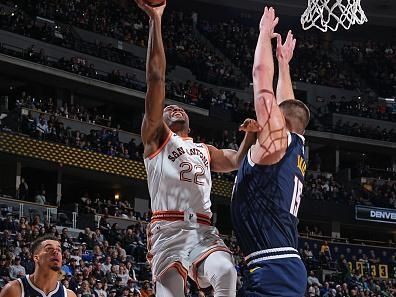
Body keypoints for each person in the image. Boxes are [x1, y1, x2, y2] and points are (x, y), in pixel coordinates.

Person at [135, 0, 259, 296]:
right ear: (160, 118)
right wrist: (155, 19)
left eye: (180, 108)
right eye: (169, 108)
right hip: (167, 230)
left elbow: (238, 161)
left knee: (227, 273)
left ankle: (203, 280)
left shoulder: (205, 149)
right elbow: (155, 78)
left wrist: (251, 136)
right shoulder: (156, 138)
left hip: (203, 230)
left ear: (189, 122)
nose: (175, 107)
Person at [231, 7, 310, 297]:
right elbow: (287, 103)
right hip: (277, 264)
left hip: (273, 265)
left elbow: (261, 78)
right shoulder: (295, 145)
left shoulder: (277, 141)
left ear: (280, 120)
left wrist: (264, 33)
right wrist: (284, 63)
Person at [0, 235, 77, 297]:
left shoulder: (69, 295)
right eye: (49, 249)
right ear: (36, 257)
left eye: (59, 250)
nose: (56, 252)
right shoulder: (13, 290)